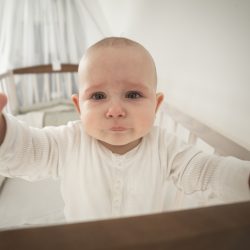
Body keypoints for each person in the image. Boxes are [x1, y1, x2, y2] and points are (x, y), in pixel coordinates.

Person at [0, 37, 249, 223]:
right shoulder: (68, 142)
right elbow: (29, 150)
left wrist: (243, 178)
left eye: (133, 94)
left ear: (156, 105)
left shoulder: (165, 146)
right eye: (98, 96)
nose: (115, 110)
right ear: (78, 106)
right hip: (81, 241)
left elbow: (207, 171)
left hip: (142, 241)